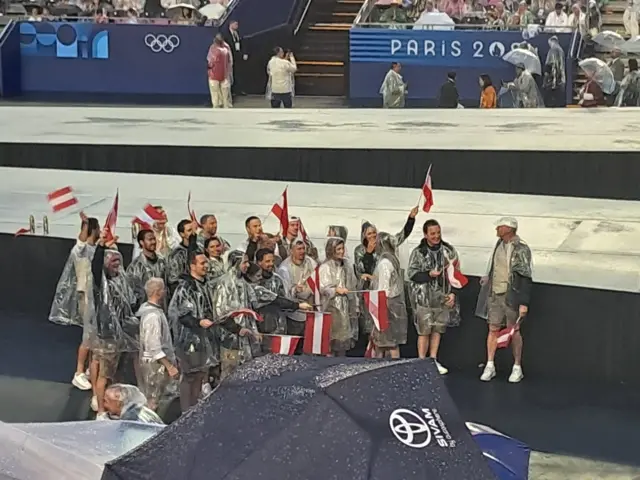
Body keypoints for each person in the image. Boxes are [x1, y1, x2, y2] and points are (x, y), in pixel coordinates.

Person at [477, 217, 533, 384]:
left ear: (508, 229)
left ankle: (517, 366)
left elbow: (525, 276)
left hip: (512, 295)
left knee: (514, 330)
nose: (497, 230)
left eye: (499, 227)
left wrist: (524, 302)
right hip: (495, 293)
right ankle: (490, 364)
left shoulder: (521, 249)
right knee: (493, 328)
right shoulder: (498, 245)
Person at [90, 231, 139, 419]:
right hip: (107, 336)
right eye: (113, 261)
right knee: (105, 374)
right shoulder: (101, 282)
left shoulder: (121, 279)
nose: (117, 264)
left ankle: (115, 407)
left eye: (119, 260)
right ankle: (101, 410)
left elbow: (129, 303)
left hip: (123, 335)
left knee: (118, 374)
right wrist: (101, 246)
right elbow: (95, 267)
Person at [49, 214, 101, 392]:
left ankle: (87, 369)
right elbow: (80, 243)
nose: (100, 232)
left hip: (96, 296)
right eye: (98, 229)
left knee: (95, 335)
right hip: (85, 297)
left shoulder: (95, 249)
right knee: (88, 334)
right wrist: (85, 226)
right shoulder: (81, 250)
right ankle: (78, 373)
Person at [407, 219, 461, 375]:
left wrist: (453, 293)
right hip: (424, 300)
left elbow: (456, 275)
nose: (436, 236)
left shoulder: (448, 251)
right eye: (432, 233)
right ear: (425, 234)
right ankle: (421, 361)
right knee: (424, 331)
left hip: (442, 298)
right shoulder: (419, 252)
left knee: (437, 330)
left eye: (438, 233)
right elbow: (412, 274)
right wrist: (428, 275)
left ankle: (433, 360)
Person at [169, 249, 220, 413]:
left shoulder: (205, 285)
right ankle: (185, 411)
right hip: (188, 340)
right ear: (192, 265)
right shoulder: (185, 288)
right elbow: (183, 315)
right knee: (189, 376)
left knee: (200, 374)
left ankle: (194, 410)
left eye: (207, 262)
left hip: (203, 338)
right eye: (202, 263)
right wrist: (198, 322)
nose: (206, 266)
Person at [353, 207, 417, 336]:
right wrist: (368, 254)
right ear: (363, 236)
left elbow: (400, 237)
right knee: (371, 326)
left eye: (374, 233)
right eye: (369, 234)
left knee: (385, 327)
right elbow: (361, 272)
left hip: (386, 292)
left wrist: (410, 219)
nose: (372, 236)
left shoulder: (383, 244)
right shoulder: (359, 250)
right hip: (369, 293)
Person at [138, 278, 179, 411]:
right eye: (163, 289)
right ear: (158, 292)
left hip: (158, 365)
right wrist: (169, 366)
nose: (165, 292)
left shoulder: (155, 312)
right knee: (153, 400)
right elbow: (154, 347)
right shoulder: (152, 316)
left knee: (159, 399)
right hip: (155, 366)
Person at [369, 233, 408, 359]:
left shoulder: (385, 263)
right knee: (388, 342)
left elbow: (383, 288)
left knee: (386, 342)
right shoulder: (392, 260)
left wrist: (381, 311)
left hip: (386, 305)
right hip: (393, 304)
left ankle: (381, 368)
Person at [319, 237, 358, 356]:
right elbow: (323, 288)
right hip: (331, 308)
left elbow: (353, 286)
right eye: (338, 249)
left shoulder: (347, 265)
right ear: (331, 250)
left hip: (345, 308)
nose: (341, 251)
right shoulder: (325, 267)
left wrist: (355, 306)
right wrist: (336, 290)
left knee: (343, 341)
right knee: (330, 341)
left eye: (342, 248)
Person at [277, 239, 318, 336]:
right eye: (299, 249)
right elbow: (284, 293)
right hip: (294, 314)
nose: (302, 251)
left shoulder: (311, 263)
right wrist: (295, 289)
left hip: (310, 310)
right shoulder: (285, 268)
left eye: (303, 248)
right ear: (291, 250)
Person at [127, 229, 167, 309]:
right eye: (149, 239)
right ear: (141, 242)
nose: (153, 242)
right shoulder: (135, 267)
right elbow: (131, 293)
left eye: (154, 239)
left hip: (163, 310)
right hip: (145, 311)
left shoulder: (162, 262)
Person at [167, 219, 197, 296]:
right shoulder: (176, 254)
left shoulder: (199, 249)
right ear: (182, 234)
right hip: (184, 293)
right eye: (189, 230)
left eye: (194, 230)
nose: (193, 233)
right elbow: (173, 279)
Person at [207, 33, 233, 109]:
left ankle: (216, 106)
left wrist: (209, 70)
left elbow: (210, 62)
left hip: (214, 75)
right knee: (225, 94)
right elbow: (230, 61)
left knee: (215, 93)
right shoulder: (226, 50)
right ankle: (226, 106)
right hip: (224, 75)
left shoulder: (214, 49)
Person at [222, 20, 248, 96]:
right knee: (231, 73)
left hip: (238, 55)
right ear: (231, 24)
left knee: (238, 73)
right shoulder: (226, 34)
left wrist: (244, 53)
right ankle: (232, 90)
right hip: (230, 55)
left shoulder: (237, 33)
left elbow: (242, 43)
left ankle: (238, 90)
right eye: (235, 24)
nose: (237, 26)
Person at [542, 36, 566, 107]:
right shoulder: (561, 50)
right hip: (560, 76)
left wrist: (545, 79)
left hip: (552, 77)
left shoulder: (552, 50)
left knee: (550, 95)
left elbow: (548, 64)